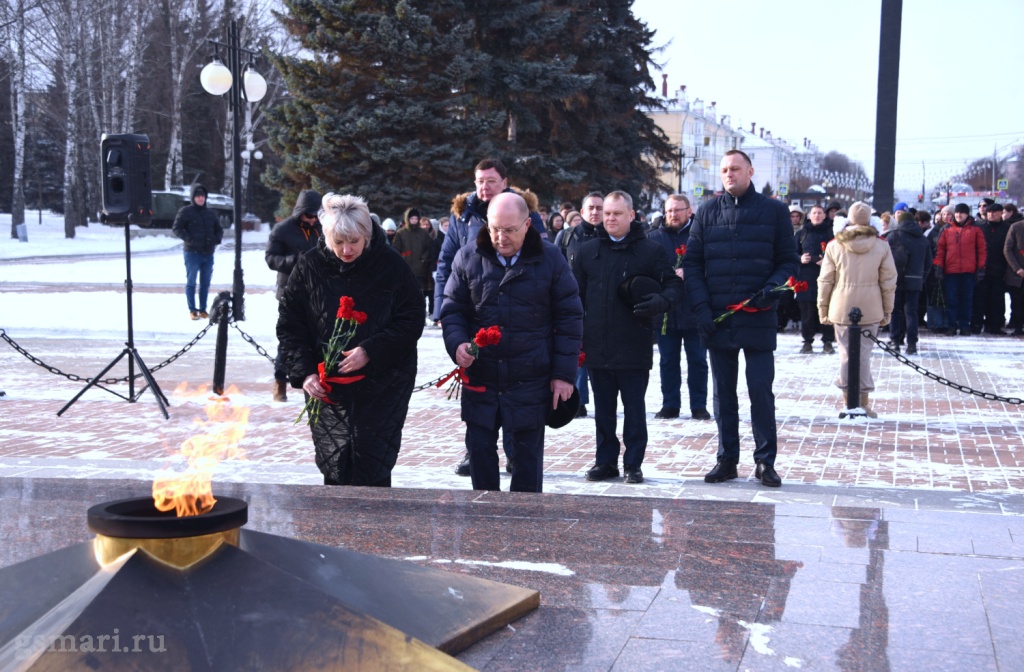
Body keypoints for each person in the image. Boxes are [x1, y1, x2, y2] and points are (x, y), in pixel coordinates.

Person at [277, 193, 424, 487]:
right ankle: (334, 525)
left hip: (383, 381)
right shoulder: (309, 266)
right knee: (334, 457)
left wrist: (371, 350)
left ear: (366, 236)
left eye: (354, 242)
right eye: (338, 242)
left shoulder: (390, 265)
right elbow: (290, 324)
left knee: (373, 458)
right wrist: (304, 372)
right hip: (328, 382)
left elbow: (412, 318)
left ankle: (375, 525)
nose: (346, 250)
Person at [440, 192, 583, 493]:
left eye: (509, 230)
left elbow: (570, 318)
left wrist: (563, 375)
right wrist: (457, 345)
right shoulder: (468, 256)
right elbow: (452, 311)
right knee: (479, 454)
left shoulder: (549, 258)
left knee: (526, 462)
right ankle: (485, 523)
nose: (501, 238)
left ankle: (526, 528)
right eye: (494, 229)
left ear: (527, 225)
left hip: (529, 378)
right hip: (482, 376)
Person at [682, 150, 799, 488]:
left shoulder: (774, 211)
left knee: (760, 389)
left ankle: (765, 461)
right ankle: (727, 458)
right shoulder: (706, 212)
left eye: (734, 169)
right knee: (723, 392)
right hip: (719, 317)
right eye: (723, 170)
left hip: (758, 314)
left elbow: (788, 260)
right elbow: (692, 264)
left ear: (749, 171)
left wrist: (771, 288)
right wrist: (702, 308)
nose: (728, 174)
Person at [433, 158, 546, 476]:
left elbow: (539, 255)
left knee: (512, 386)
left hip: (517, 310)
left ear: (505, 182)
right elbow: (446, 262)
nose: (484, 187)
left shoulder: (521, 209)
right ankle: (476, 451)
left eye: (491, 181)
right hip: (475, 307)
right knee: (479, 386)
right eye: (479, 180)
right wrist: (443, 308)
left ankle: (513, 451)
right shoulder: (463, 213)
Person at [573, 191, 683, 484]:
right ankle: (605, 462)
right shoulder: (587, 252)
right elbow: (573, 297)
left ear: (631, 215)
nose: (610, 218)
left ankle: (633, 463)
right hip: (598, 344)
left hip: (634, 342)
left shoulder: (651, 251)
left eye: (617, 213)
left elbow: (673, 285)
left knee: (634, 409)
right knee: (603, 410)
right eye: (607, 213)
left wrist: (661, 302)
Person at [818, 202, 897, 418]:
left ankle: (847, 400)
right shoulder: (881, 245)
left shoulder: (835, 245)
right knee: (864, 355)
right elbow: (889, 281)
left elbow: (825, 280)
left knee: (845, 355)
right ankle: (863, 402)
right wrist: (887, 310)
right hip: (871, 306)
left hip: (841, 306)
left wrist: (822, 308)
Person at [647, 194, 710, 421]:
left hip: (694, 309)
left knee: (698, 361)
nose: (673, 215)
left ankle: (698, 405)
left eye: (678, 210)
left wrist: (690, 273)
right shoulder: (654, 238)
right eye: (670, 210)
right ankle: (670, 404)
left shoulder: (699, 237)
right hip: (666, 312)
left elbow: (710, 266)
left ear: (689, 211)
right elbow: (646, 271)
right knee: (667, 361)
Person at [265, 189, 323, 401]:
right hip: (290, 292)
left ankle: (316, 381)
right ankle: (280, 381)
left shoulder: (322, 229)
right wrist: (294, 260)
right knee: (289, 339)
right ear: (300, 213)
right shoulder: (282, 230)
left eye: (316, 216)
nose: (313, 220)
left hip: (317, 292)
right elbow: (271, 258)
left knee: (317, 338)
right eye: (309, 215)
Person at [560, 192, 605, 418]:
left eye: (600, 207)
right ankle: (579, 401)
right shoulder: (568, 237)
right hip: (573, 304)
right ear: (582, 210)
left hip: (603, 307)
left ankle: (604, 399)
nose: (595, 212)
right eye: (591, 208)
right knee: (575, 355)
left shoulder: (611, 235)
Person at [172, 184, 224, 320]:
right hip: (192, 253)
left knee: (205, 283)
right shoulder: (186, 211)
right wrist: (189, 239)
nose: (201, 198)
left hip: (208, 253)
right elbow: (177, 228)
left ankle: (202, 309)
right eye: (198, 196)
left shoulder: (211, 213)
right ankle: (192, 310)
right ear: (193, 198)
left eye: (203, 196)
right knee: (191, 282)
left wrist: (217, 239)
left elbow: (219, 229)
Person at [934, 203, 986, 336]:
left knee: (967, 300)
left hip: (969, 271)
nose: (959, 215)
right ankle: (952, 325)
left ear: (967, 214)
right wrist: (939, 265)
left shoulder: (975, 229)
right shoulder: (946, 229)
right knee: (951, 299)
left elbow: (982, 250)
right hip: (951, 271)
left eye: (962, 213)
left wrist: (981, 267)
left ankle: (964, 326)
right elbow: (940, 250)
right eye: (957, 213)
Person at [883, 210, 930, 355]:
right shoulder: (923, 239)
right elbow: (928, 263)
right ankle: (912, 344)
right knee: (911, 312)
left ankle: (895, 341)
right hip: (915, 280)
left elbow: (885, 259)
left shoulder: (893, 235)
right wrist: (921, 278)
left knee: (895, 311)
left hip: (896, 279)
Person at [795, 205, 835, 354]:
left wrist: (827, 260)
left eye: (820, 213)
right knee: (807, 312)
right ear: (809, 216)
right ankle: (807, 341)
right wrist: (800, 258)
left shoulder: (831, 234)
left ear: (824, 216)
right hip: (805, 278)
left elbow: (840, 254)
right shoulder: (801, 234)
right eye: (814, 213)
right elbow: (790, 254)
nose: (817, 215)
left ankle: (828, 341)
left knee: (827, 310)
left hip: (826, 278)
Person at [972, 203, 1011, 334]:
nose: (991, 214)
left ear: (1001, 213)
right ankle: (977, 324)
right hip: (982, 268)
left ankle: (994, 325)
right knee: (980, 298)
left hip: (999, 269)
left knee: (997, 299)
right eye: (989, 212)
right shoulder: (980, 227)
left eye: (994, 212)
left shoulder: (1007, 228)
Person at [393, 207, 434, 322]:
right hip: (405, 269)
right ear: (408, 219)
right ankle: (405, 316)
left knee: (420, 294)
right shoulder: (401, 233)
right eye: (412, 218)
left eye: (416, 218)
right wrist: (403, 258)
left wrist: (423, 259)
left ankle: (420, 316)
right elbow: (396, 249)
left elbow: (429, 248)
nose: (414, 221)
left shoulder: (423, 234)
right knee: (405, 294)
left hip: (420, 269)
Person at [1002, 204, 1024, 335]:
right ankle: (1018, 326)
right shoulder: (1016, 227)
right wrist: (1018, 269)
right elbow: (1007, 249)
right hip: (1017, 274)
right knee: (1017, 302)